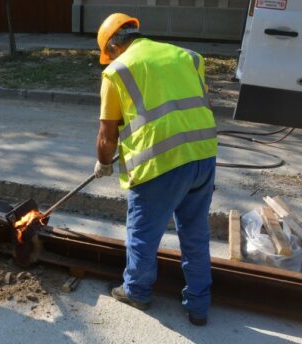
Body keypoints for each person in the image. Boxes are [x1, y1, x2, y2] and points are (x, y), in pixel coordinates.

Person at [93, 13, 218, 326]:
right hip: (203, 155)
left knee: (143, 235)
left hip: (160, 164)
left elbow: (107, 136)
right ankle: (199, 306)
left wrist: (104, 162)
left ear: (112, 47)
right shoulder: (189, 57)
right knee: (194, 232)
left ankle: (136, 291)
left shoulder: (116, 72)